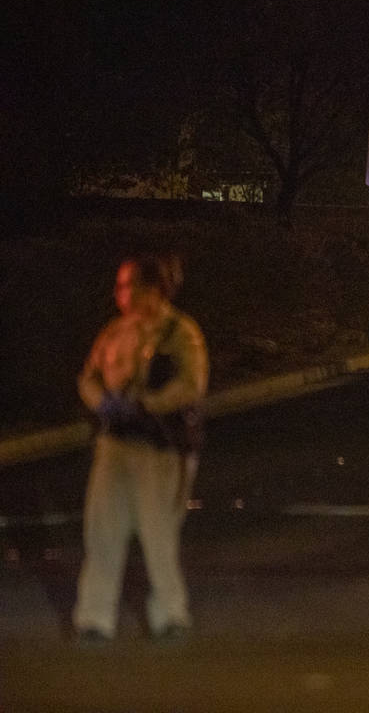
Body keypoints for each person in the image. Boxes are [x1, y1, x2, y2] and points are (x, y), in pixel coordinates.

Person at [73, 254, 208, 646]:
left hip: (160, 449)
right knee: (103, 533)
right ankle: (94, 618)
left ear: (150, 291)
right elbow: (89, 377)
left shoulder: (179, 332)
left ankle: (170, 614)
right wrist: (103, 404)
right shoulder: (115, 333)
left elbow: (191, 384)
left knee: (159, 533)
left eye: (126, 286)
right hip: (115, 445)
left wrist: (149, 404)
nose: (120, 294)